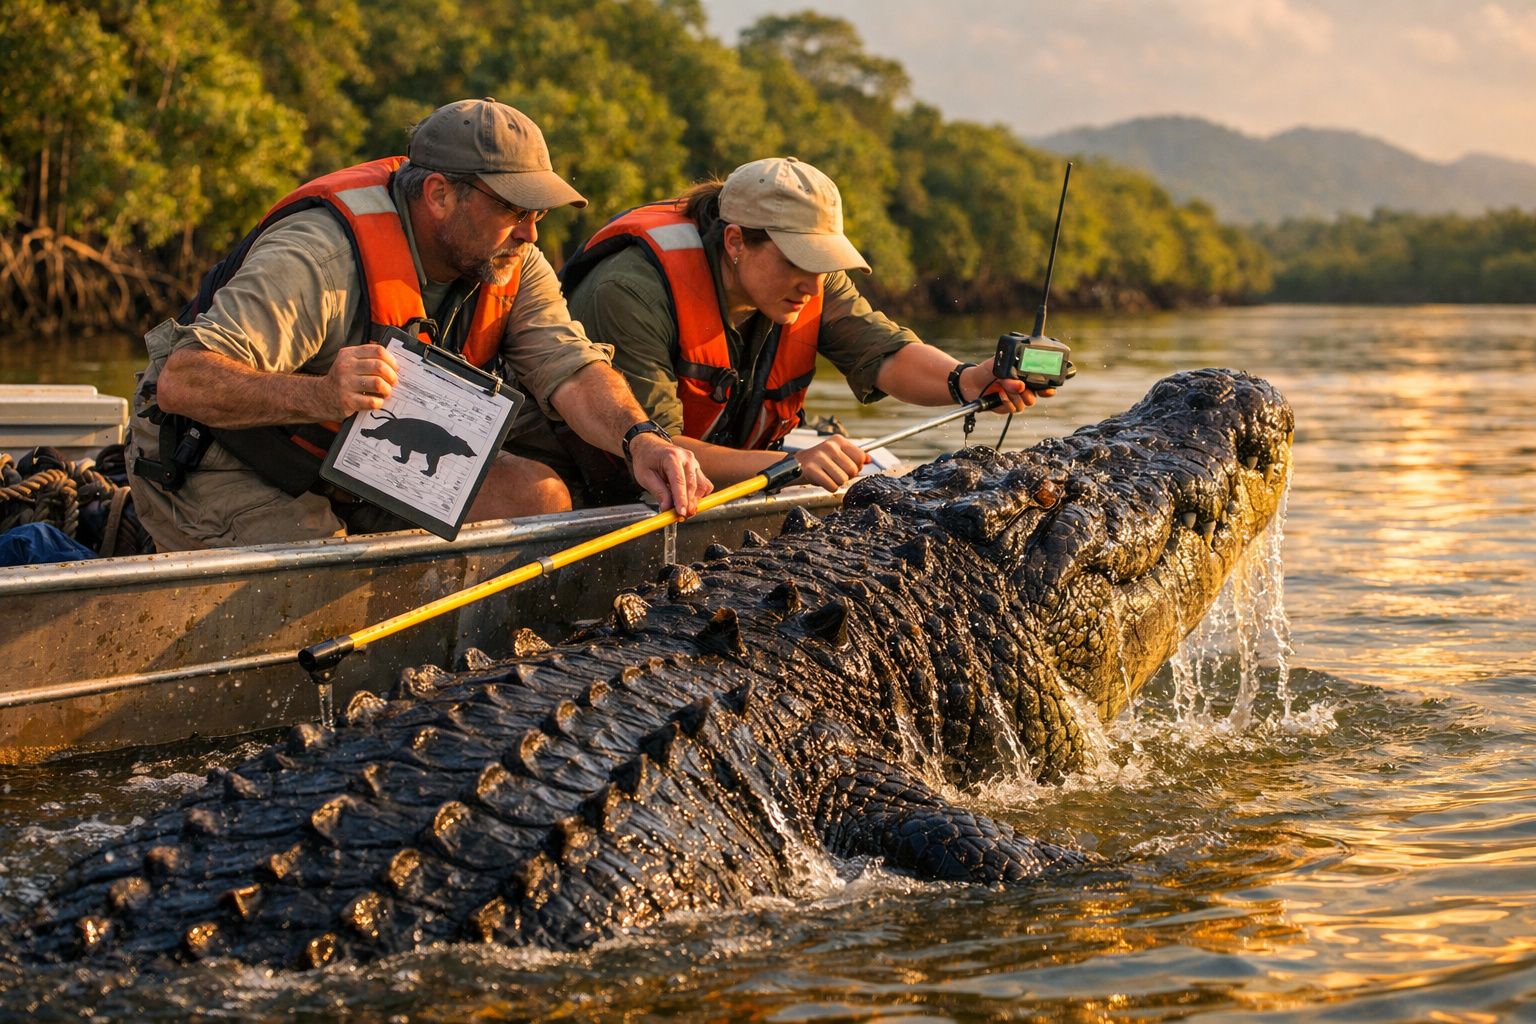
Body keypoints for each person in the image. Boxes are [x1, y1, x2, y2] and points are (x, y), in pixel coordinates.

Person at [126, 97, 709, 551]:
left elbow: (574, 372)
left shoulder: (515, 262)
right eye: (514, 209)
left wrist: (641, 439)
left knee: (540, 496)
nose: (532, 233)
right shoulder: (318, 257)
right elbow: (184, 381)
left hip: (359, 458)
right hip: (220, 455)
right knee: (321, 570)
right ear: (439, 195)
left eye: (538, 213)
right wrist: (321, 393)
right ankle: (134, 524)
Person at [556, 156, 1048, 498]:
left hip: (726, 476)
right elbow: (658, 451)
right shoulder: (629, 292)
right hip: (592, 479)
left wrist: (967, 381)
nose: (813, 286)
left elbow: (883, 350)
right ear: (735, 241)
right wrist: (790, 465)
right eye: (798, 261)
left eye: (823, 263)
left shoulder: (812, 281)